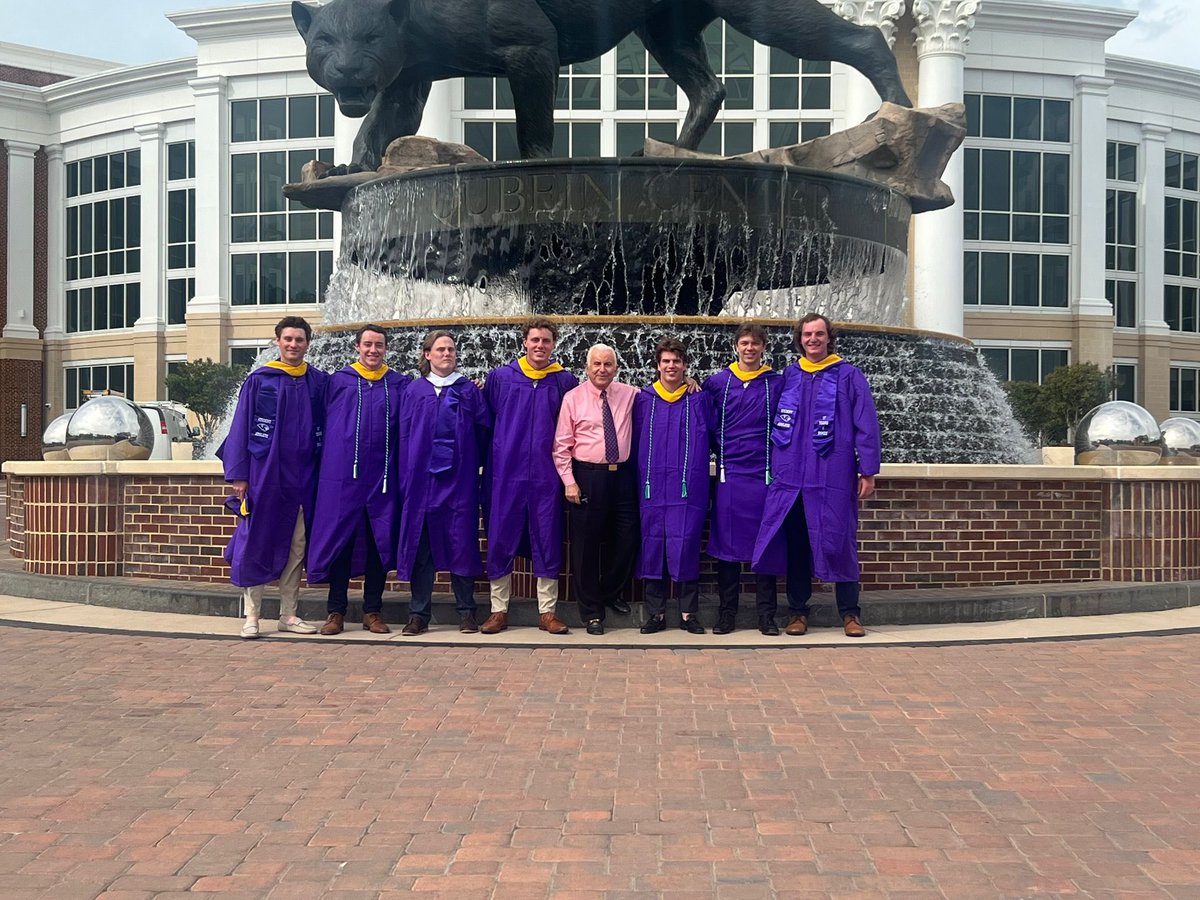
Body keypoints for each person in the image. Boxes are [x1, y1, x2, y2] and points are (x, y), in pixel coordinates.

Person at [752, 313, 881, 638]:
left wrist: (868, 469)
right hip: (792, 475)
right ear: (800, 338)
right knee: (798, 545)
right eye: (808, 334)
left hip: (832, 474)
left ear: (829, 338)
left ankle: (850, 614)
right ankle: (798, 613)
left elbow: (866, 424)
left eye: (819, 334)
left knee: (840, 540)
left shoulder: (850, 375)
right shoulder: (790, 375)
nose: (813, 340)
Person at [217, 316, 328, 639]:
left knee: (297, 546)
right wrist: (239, 475)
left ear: (308, 343)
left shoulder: (317, 381)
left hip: (304, 476)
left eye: (300, 339)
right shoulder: (260, 380)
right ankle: (252, 615)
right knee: (256, 541)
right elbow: (240, 426)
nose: (294, 345)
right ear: (278, 342)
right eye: (288, 339)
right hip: (266, 475)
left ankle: (289, 614)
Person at [307, 324, 410, 635]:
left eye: (379, 345)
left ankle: (372, 611)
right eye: (367, 345)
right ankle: (335, 612)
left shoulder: (399, 384)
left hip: (383, 479)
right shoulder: (338, 382)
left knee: (379, 546)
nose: (373, 351)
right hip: (342, 480)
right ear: (357, 347)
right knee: (342, 544)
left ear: (386, 349)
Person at [479, 318, 577, 635]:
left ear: (553, 344)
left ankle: (547, 612)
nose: (540, 346)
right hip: (505, 473)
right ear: (524, 342)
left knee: (547, 538)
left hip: (547, 476)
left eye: (546, 341)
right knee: (500, 537)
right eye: (535, 340)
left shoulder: (564, 382)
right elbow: (484, 422)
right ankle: (498, 610)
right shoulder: (500, 378)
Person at [394, 330, 491, 635]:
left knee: (462, 545)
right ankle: (419, 614)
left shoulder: (469, 390)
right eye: (440, 350)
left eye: (450, 349)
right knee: (422, 550)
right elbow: (402, 437)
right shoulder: (414, 391)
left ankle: (467, 612)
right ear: (427, 355)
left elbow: (484, 432)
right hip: (421, 483)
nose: (447, 354)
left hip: (459, 482)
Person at [552, 343, 640, 635]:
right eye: (596, 365)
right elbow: (561, 446)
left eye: (608, 364)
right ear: (587, 368)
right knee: (585, 547)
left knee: (628, 539)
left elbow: (666, 392)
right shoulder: (572, 398)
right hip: (588, 476)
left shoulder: (631, 394)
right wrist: (569, 482)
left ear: (616, 367)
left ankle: (609, 592)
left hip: (623, 477)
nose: (602, 370)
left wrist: (690, 381)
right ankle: (591, 612)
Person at [703, 323, 783, 635]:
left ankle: (767, 615)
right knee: (727, 548)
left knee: (766, 545)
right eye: (744, 343)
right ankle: (727, 614)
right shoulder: (718, 383)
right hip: (729, 476)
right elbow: (705, 421)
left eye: (755, 343)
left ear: (764, 347)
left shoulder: (775, 383)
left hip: (763, 475)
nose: (749, 348)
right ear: (736, 346)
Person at [634, 337, 714, 635]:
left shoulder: (699, 399)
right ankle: (655, 614)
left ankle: (687, 613)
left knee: (687, 546)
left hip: (687, 488)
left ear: (685, 366)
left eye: (677, 361)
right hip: (651, 487)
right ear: (657, 366)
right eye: (666, 361)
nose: (671, 366)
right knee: (652, 545)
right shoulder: (643, 399)